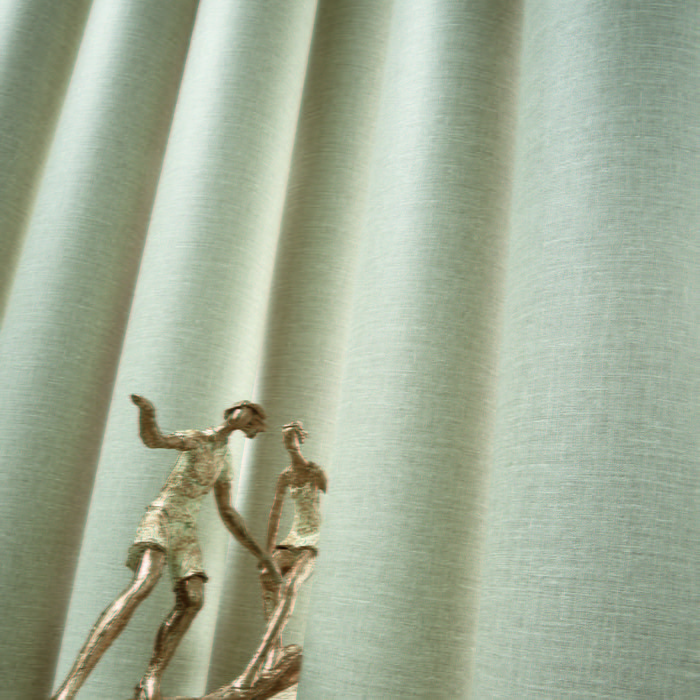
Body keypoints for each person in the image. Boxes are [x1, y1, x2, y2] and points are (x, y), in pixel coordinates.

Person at [51, 395, 281, 700]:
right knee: (143, 583)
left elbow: (227, 511)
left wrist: (262, 554)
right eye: (245, 411)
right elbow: (154, 440)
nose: (245, 418)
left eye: (251, 417)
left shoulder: (224, 459)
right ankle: (68, 690)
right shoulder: (195, 438)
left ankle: (151, 680)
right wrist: (147, 414)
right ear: (234, 412)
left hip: (185, 529)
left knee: (193, 599)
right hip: (162, 515)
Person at [234, 421, 327, 689]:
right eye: (285, 439)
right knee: (267, 578)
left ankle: (257, 662)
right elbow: (274, 515)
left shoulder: (315, 472)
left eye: (291, 438)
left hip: (314, 539)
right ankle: (275, 648)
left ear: (300, 440)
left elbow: (342, 499)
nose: (289, 444)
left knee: (289, 588)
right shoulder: (285, 476)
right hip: (293, 538)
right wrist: (267, 554)